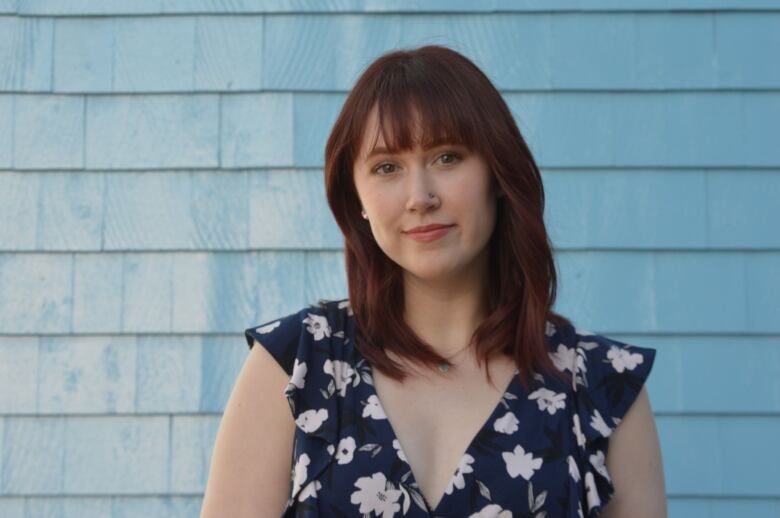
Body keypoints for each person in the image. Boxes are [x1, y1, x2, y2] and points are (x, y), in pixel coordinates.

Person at [201, 45, 667, 518]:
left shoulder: (602, 389)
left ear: (498, 175)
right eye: (387, 167)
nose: (420, 196)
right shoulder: (295, 366)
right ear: (356, 196)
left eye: (447, 157)